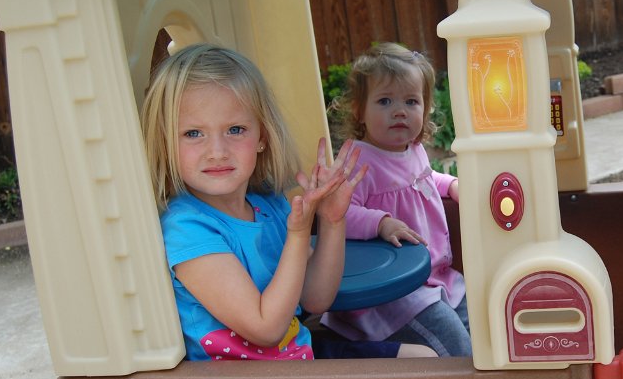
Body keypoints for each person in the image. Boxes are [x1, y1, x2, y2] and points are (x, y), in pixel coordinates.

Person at [141, 43, 435, 360]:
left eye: (235, 130)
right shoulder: (187, 228)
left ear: (262, 138)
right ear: (167, 141)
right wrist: (297, 234)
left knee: (421, 358)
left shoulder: (267, 205)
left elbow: (315, 298)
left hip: (297, 357)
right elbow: (265, 328)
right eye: (193, 133)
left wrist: (332, 220)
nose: (217, 151)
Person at [321, 43, 471, 356]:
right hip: (394, 291)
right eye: (385, 101)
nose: (400, 110)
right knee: (455, 345)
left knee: (481, 319)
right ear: (359, 111)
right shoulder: (358, 161)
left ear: (425, 109)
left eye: (411, 101)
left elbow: (424, 179)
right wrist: (380, 223)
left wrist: (452, 185)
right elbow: (340, 213)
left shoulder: (413, 149)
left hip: (435, 276)